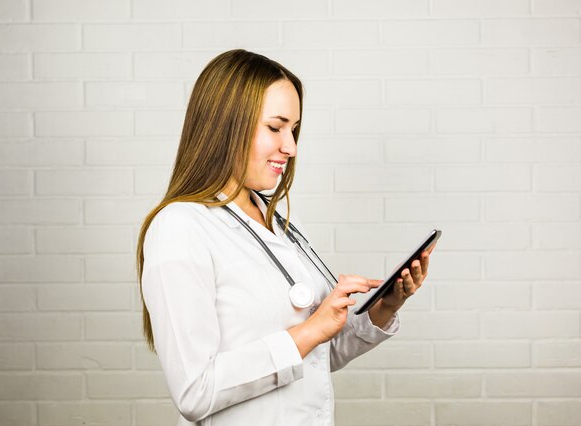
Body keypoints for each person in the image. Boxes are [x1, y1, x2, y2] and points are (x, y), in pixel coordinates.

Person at [136, 49, 434, 426]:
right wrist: (308, 331)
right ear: (225, 125)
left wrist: (385, 305)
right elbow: (195, 391)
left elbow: (317, 354)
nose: (290, 147)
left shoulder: (280, 223)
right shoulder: (180, 226)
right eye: (275, 128)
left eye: (293, 129)